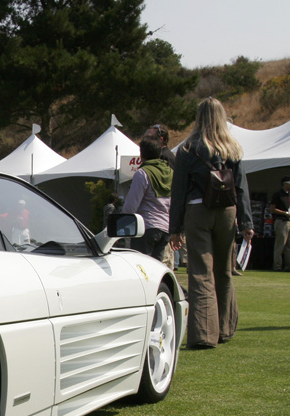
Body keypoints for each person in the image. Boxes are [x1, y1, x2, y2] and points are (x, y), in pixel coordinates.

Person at [169, 97, 254, 349]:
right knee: (224, 272)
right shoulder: (233, 147)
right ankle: (225, 329)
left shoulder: (188, 149)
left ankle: (204, 333)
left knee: (200, 272)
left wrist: (175, 228)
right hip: (227, 211)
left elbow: (179, 191)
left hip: (198, 211)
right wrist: (247, 222)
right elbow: (242, 188)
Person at [123, 133, 172, 262]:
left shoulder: (142, 173)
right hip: (165, 227)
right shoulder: (170, 172)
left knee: (141, 268)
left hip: (147, 227)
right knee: (157, 270)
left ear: (141, 154)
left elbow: (130, 206)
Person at [268, 176, 290, 271]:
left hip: (289, 221)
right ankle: (277, 266)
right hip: (281, 221)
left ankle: (288, 266)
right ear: (284, 184)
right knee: (280, 245)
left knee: (289, 246)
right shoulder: (277, 194)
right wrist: (285, 213)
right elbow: (272, 208)